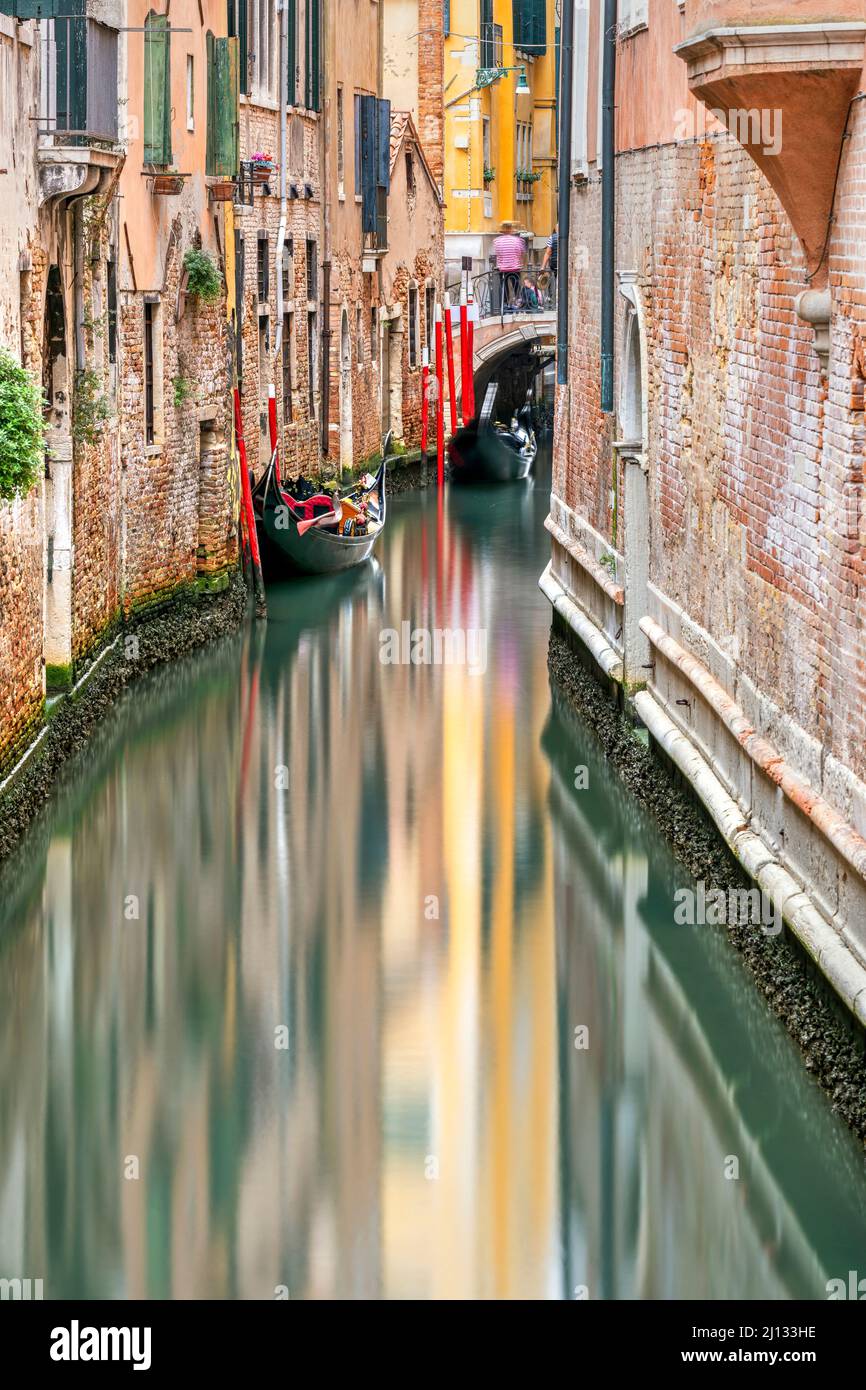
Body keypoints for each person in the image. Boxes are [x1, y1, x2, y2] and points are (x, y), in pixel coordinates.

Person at [492, 222, 525, 312]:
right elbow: (521, 254)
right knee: (516, 286)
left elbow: (497, 254)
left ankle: (505, 304)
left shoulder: (496, 241)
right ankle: (517, 303)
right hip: (515, 268)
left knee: (504, 287)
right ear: (511, 230)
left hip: (503, 269)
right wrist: (520, 263)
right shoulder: (519, 240)